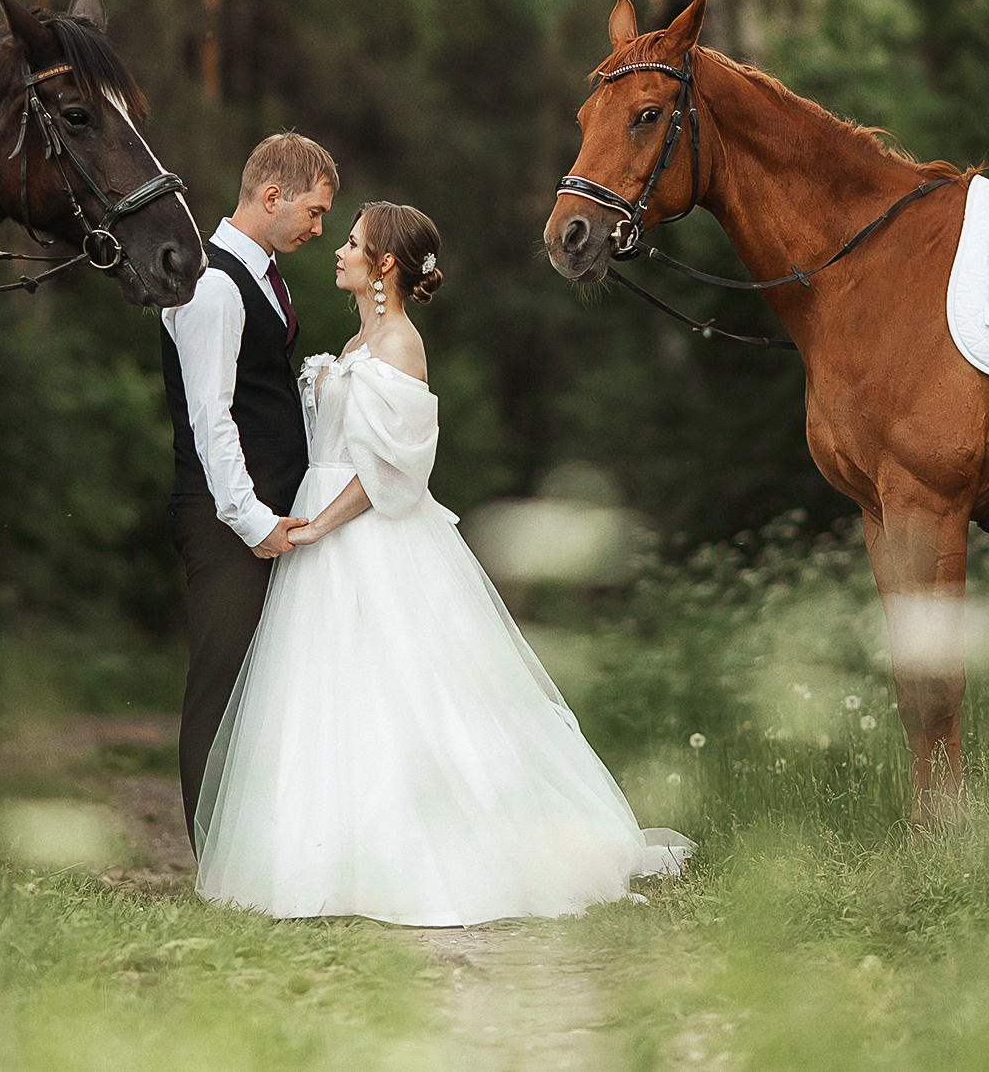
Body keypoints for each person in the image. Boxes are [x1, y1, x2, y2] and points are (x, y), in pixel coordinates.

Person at [193, 200, 690, 926]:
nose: (339, 250)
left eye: (353, 242)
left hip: (368, 534)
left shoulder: (400, 345)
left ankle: (428, 850)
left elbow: (395, 469)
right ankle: (327, 851)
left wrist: (319, 525)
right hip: (325, 536)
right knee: (330, 690)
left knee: (407, 689)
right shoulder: (360, 338)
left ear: (384, 264)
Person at [160, 132, 338, 837]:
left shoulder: (261, 275)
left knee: (263, 692)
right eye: (314, 211)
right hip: (226, 519)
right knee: (221, 688)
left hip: (266, 513)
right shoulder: (213, 283)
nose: (319, 228)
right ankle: (211, 856)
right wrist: (252, 519)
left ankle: (257, 847)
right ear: (271, 196)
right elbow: (211, 416)